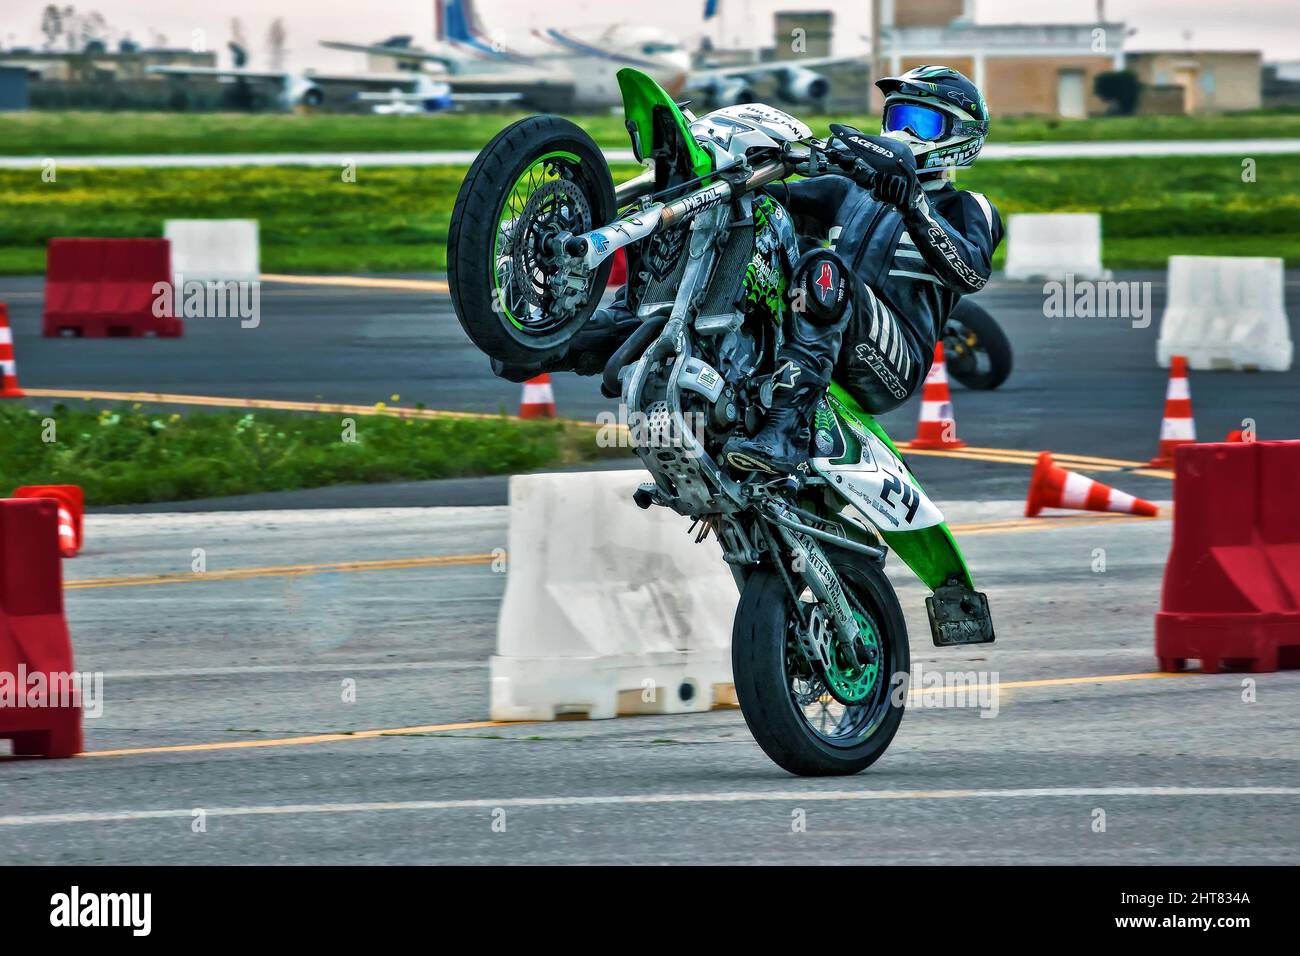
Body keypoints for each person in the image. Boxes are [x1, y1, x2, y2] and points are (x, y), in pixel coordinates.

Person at [494, 65, 1004, 475]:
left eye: (924, 123)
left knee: (823, 266)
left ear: (959, 136)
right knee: (740, 226)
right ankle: (561, 342)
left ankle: (786, 428)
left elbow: (972, 274)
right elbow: (768, 196)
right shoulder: (853, 189)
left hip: (891, 361)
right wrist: (737, 167)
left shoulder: (970, 207)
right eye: (897, 119)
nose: (904, 134)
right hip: (830, 328)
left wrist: (914, 203)